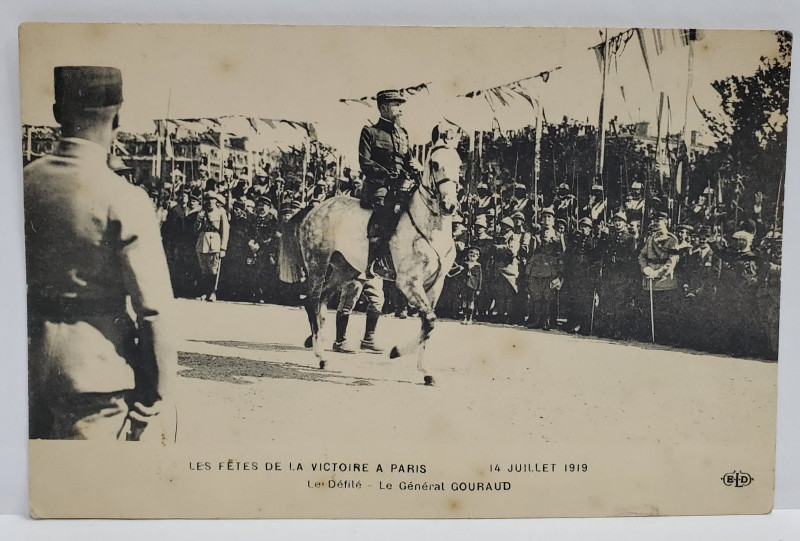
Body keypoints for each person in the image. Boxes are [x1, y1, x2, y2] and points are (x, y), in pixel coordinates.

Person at [25, 66, 175, 441]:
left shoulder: (22, 184)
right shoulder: (124, 197)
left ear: (58, 113)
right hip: (96, 379)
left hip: (20, 372)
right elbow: (154, 311)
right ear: (118, 117)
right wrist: (154, 396)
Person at [359, 89, 422, 278]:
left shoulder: (403, 133)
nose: (400, 109)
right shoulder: (370, 132)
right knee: (385, 211)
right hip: (379, 185)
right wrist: (388, 176)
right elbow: (365, 162)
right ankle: (374, 261)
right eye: (396, 105)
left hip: (401, 184)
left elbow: (409, 159)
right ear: (384, 108)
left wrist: (417, 171)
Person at [195, 191, 230, 302]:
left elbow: (225, 230)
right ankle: (205, 291)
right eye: (208, 199)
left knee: (213, 269)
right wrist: (199, 219)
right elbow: (196, 229)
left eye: (212, 199)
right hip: (202, 241)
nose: (210, 201)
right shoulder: (202, 212)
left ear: (216, 200)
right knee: (204, 268)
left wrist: (223, 247)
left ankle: (212, 292)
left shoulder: (220, 212)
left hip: (215, 242)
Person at [459, 247, 483, 325]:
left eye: (474, 256)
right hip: (465, 285)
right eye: (470, 255)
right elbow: (461, 276)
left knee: (471, 302)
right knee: (464, 301)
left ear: (477, 257)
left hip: (473, 286)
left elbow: (479, 278)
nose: (472, 257)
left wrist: (478, 289)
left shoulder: (478, 266)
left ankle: (470, 318)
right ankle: (464, 317)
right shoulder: (465, 264)